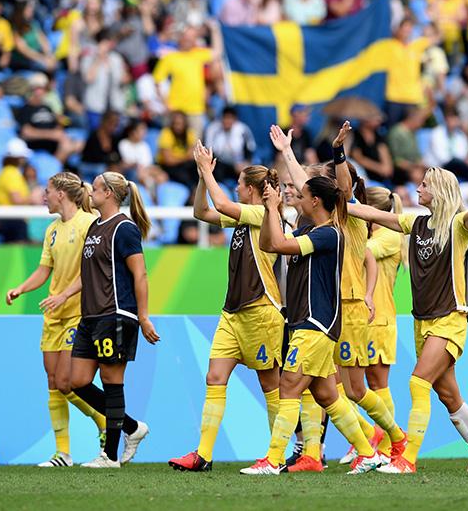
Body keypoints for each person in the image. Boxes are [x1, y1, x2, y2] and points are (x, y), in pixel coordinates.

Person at [345, 166, 468, 474]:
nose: (418, 189)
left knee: (418, 382)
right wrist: (337, 203)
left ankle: (407, 459)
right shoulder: (415, 223)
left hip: (450, 319)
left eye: (424, 185)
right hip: (423, 321)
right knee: (448, 394)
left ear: (438, 190)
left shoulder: (457, 225)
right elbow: (374, 216)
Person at [273, 122, 406, 471]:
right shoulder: (322, 218)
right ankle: (315, 454)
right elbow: (305, 185)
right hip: (328, 308)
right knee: (320, 387)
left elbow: (341, 188)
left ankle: (393, 436)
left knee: (355, 390)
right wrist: (287, 151)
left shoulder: (349, 213)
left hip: (348, 308)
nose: (302, 191)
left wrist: (338, 151)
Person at [240, 174, 382, 476]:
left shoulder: (328, 234)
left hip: (315, 324)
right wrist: (270, 211)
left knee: (288, 386)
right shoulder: (318, 231)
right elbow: (270, 244)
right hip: (309, 323)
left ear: (315, 200)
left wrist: (275, 208)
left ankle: (274, 459)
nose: (298, 199)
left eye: (302, 195)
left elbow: (277, 243)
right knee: (327, 395)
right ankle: (369, 452)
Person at [168, 146, 285, 472]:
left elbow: (220, 204)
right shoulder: (243, 219)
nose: (235, 187)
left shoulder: (263, 214)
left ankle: (277, 456)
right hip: (233, 314)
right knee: (215, 377)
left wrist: (207, 169)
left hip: (262, 311)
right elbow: (201, 211)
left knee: (269, 385)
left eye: (238, 183)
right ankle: (202, 455)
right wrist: (203, 178)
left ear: (251, 189)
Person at [40, 171, 159, 468]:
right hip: (90, 315)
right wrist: (67, 295)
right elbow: (88, 275)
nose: (89, 193)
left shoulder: (124, 228)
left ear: (108, 193)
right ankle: (132, 427)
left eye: (94, 188)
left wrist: (143, 316)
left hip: (115, 313)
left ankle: (111, 455)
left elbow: (140, 274)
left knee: (111, 381)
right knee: (75, 381)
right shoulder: (94, 227)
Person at [5, 172, 107, 467]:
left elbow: (91, 271)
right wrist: (21, 288)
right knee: (53, 382)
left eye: (47, 191)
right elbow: (44, 269)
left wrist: (64, 296)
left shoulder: (89, 224)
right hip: (54, 314)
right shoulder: (51, 230)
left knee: (67, 381)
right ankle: (63, 453)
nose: (43, 196)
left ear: (61, 193)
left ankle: (102, 418)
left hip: (78, 312)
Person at [361, 186, 405, 447]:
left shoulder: (389, 236)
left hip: (379, 318)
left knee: (377, 384)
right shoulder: (372, 233)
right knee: (349, 384)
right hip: (361, 317)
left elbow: (359, 252)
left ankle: (388, 444)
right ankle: (370, 436)